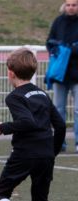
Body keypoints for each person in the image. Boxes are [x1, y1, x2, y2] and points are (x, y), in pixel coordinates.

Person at [0, 48, 66, 201]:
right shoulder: (42, 94)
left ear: (11, 72)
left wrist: (3, 128)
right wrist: (52, 152)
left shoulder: (14, 97)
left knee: (0, 194)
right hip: (45, 154)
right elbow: (60, 125)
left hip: (25, 153)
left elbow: (27, 122)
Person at [46, 0, 78, 152]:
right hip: (60, 75)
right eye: (69, 4)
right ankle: (60, 143)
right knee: (58, 110)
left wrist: (72, 50)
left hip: (77, 74)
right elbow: (49, 41)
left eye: (74, 4)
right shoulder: (58, 21)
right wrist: (56, 48)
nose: (71, 7)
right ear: (65, 6)